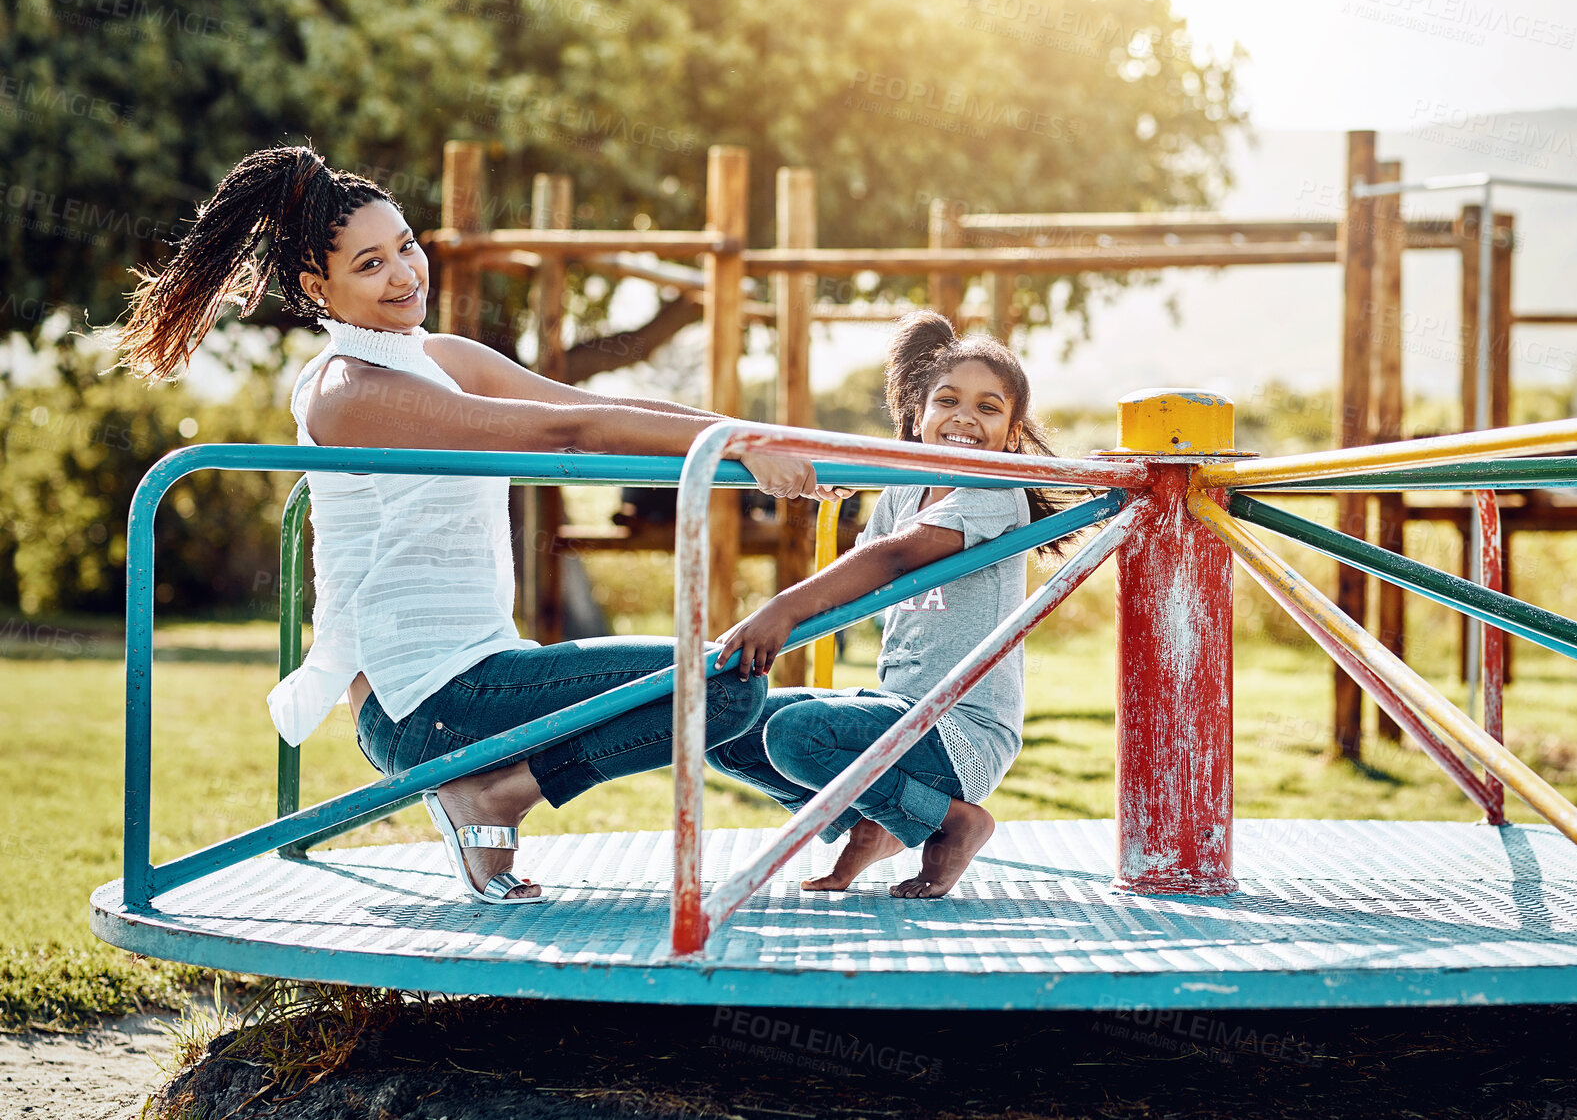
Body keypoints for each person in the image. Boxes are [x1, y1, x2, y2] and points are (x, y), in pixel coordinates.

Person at [114, 144, 839, 905]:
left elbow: (576, 404)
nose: (404, 274)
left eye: (406, 246)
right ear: (314, 287)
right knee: (722, 686)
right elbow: (570, 433)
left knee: (733, 691)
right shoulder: (347, 389)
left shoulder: (437, 355)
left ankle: (863, 816)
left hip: (482, 669)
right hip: (423, 704)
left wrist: (762, 437)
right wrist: (742, 445)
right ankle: (492, 796)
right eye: (370, 265)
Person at [709, 310, 1076, 898]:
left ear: (1012, 434)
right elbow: (863, 568)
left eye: (988, 408)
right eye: (948, 401)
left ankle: (950, 820)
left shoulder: (996, 492)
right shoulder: (904, 485)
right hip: (895, 706)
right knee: (726, 726)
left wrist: (781, 609)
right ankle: (883, 820)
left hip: (963, 730)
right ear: (919, 415)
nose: (964, 418)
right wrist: (832, 475)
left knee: (798, 736)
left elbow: (895, 559)